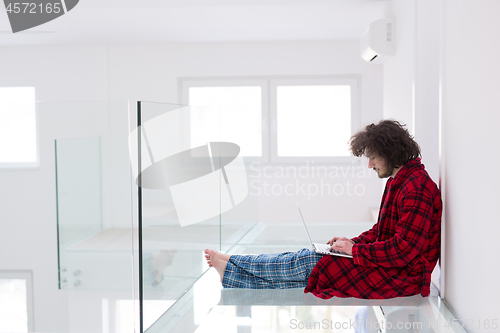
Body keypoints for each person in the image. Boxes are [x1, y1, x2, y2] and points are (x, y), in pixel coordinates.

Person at [204, 120, 442, 299]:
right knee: (313, 267)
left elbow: (404, 250)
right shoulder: (399, 181)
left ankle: (235, 263)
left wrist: (355, 251)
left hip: (403, 277)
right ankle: (233, 270)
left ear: (390, 153)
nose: (369, 164)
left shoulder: (416, 188)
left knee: (311, 262)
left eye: (373, 157)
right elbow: (382, 231)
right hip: (393, 268)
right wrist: (351, 243)